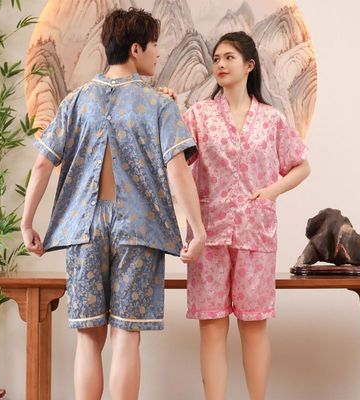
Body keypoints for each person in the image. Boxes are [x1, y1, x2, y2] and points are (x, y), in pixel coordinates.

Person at [20, 8, 206, 400]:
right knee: (126, 335)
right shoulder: (158, 105)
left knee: (89, 337)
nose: (158, 53)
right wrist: (198, 230)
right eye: (154, 45)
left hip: (84, 231)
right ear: (135, 49)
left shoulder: (75, 102)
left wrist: (27, 222)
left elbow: (42, 164)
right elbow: (177, 170)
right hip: (138, 230)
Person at [182, 31, 311, 400]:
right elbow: (176, 163)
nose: (220, 64)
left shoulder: (272, 120)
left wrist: (272, 191)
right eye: (216, 58)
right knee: (211, 327)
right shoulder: (199, 116)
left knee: (254, 327)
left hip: (256, 233)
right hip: (209, 234)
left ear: (249, 65)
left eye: (229, 58)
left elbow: (301, 166)